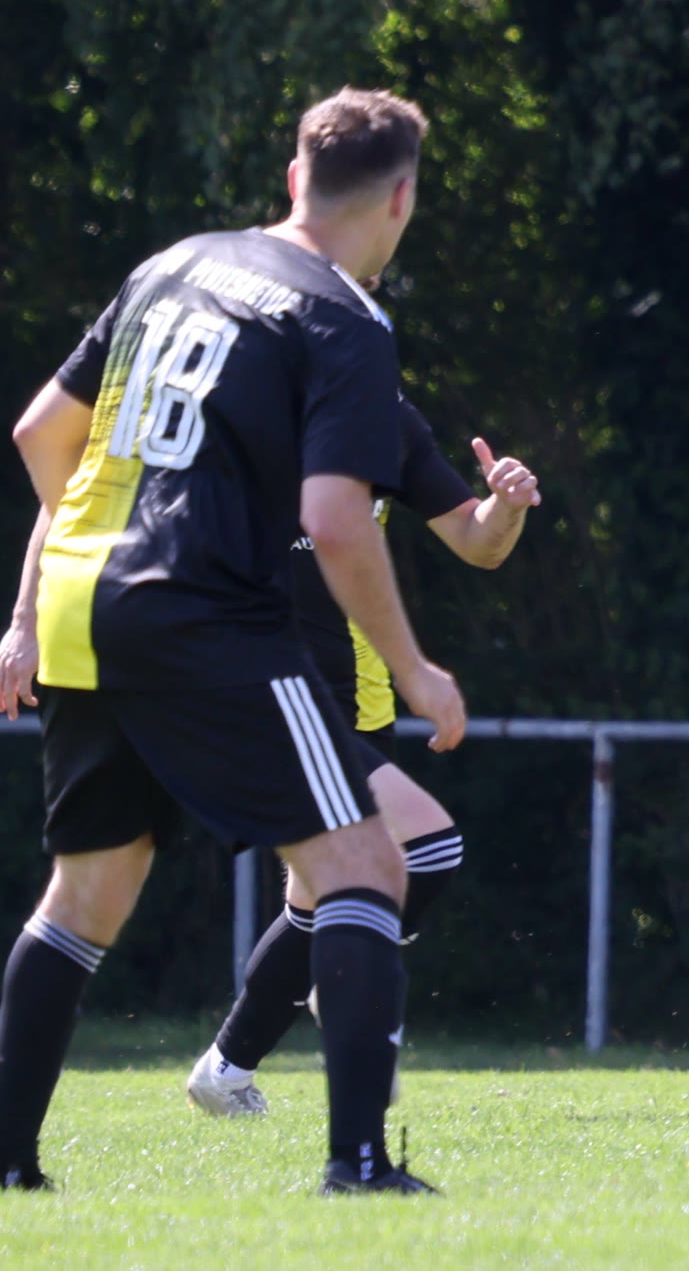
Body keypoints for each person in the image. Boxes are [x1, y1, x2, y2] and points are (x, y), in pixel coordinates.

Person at [0, 87, 461, 1194]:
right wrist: (413, 670)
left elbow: (40, 432)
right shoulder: (344, 318)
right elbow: (335, 521)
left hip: (82, 600)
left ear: (297, 178)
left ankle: (8, 1164)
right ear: (400, 199)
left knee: (86, 894)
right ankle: (358, 1167)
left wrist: (95, 554)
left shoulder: (175, 264)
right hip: (203, 612)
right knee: (367, 864)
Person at [183, 399, 541, 1116]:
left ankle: (225, 1072)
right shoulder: (231, 405)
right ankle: (350, 967)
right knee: (428, 848)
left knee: (315, 905)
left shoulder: (385, 419)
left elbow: (479, 543)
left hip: (359, 708)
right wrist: (31, 620)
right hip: (265, 693)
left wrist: (506, 507)